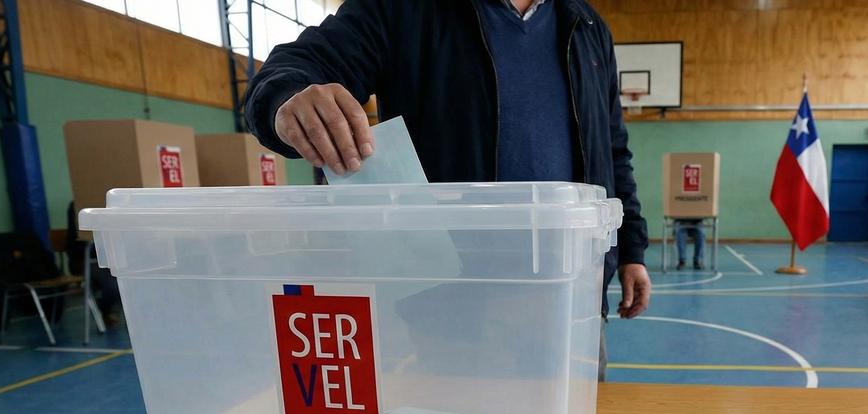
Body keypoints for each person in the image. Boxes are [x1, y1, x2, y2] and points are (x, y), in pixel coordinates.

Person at [241, 0, 651, 381]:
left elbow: (612, 149)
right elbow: (296, 67)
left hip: (573, 296)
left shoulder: (588, 26)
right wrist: (287, 98)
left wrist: (631, 250)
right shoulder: (405, 8)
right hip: (457, 308)